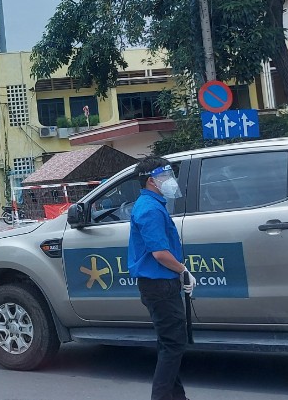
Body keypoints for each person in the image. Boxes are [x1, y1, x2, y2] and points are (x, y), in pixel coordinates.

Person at [127, 156, 195, 400]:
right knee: (173, 344)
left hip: (161, 285)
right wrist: (182, 270)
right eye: (165, 176)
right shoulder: (150, 209)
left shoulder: (154, 204)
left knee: (169, 344)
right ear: (151, 181)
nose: (170, 180)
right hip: (159, 285)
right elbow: (160, 253)